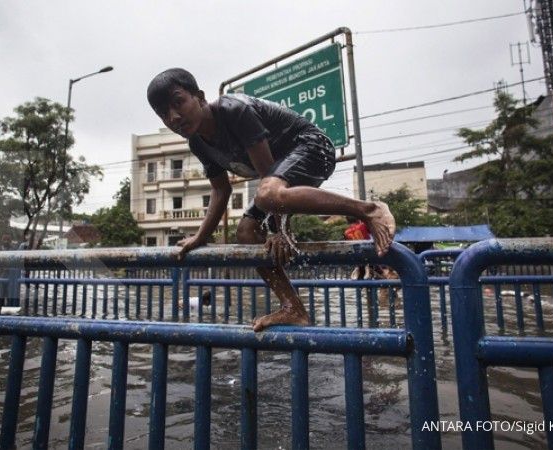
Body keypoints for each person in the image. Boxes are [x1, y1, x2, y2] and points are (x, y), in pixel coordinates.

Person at [147, 68, 395, 331]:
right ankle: (293, 308)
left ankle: (369, 209)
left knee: (267, 194)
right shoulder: (198, 143)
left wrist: (280, 232)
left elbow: (267, 176)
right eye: (164, 113)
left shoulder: (234, 110)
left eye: (178, 102)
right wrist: (200, 237)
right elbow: (221, 191)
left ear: (199, 97)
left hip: (313, 147)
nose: (174, 116)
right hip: (280, 176)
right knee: (246, 232)